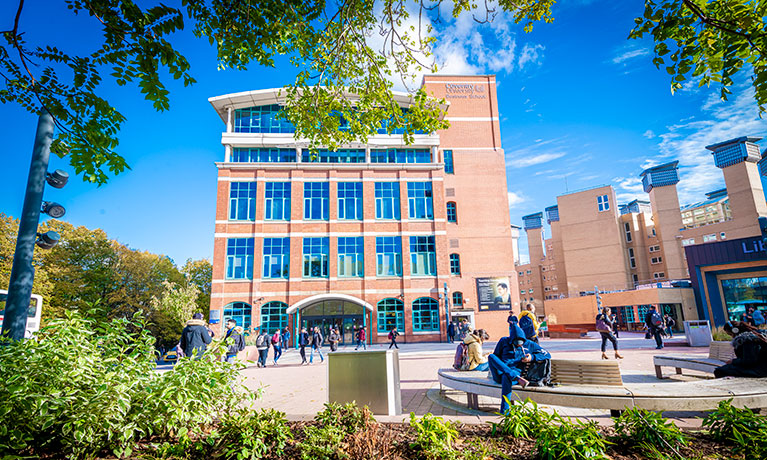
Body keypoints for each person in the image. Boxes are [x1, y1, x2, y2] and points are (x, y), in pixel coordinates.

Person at [488, 323, 551, 414]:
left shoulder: (530, 344)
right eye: (516, 344)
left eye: (520, 344)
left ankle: (505, 412)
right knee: (491, 357)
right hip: (499, 373)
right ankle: (516, 377)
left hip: (515, 372)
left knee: (507, 377)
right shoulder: (503, 341)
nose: (518, 345)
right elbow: (496, 357)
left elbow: (547, 354)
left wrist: (532, 357)